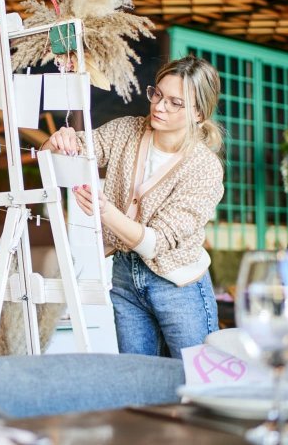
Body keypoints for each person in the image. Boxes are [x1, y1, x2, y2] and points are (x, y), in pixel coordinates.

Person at [42, 55, 225, 359]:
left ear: (199, 114)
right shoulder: (127, 131)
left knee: (196, 382)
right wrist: (58, 142)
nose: (159, 106)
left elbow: (156, 244)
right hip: (126, 278)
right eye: (158, 94)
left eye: (175, 103)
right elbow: (69, 156)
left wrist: (105, 212)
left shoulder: (204, 169)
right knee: (140, 381)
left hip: (179, 286)